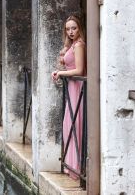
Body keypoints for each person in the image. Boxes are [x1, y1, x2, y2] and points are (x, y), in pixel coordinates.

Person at [51, 15, 86, 179]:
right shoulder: (72, 45)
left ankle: (75, 168)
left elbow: (79, 71)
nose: (71, 32)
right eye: (68, 29)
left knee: (74, 124)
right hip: (71, 87)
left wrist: (61, 73)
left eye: (74, 28)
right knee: (68, 125)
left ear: (80, 28)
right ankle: (71, 165)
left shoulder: (79, 45)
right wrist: (62, 63)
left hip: (77, 87)